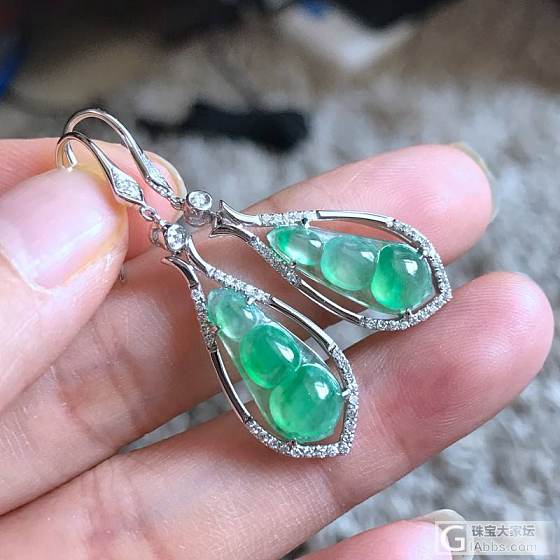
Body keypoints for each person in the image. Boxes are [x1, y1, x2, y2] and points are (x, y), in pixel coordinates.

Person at [0, 140, 553, 559]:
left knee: (279, 279)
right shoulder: (220, 298)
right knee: (246, 310)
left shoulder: (233, 269)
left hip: (233, 255)